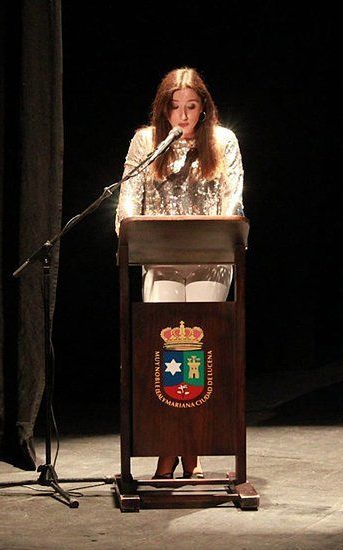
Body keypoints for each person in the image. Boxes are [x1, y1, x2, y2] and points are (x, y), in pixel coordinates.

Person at [115, 67, 244, 479]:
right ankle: (178, 452)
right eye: (175, 107)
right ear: (163, 109)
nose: (183, 116)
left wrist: (225, 233)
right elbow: (127, 200)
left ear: (204, 107)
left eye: (191, 107)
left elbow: (233, 201)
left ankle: (184, 449)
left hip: (209, 261)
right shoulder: (145, 142)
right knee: (165, 355)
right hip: (162, 260)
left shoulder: (224, 142)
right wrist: (128, 234)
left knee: (202, 358)